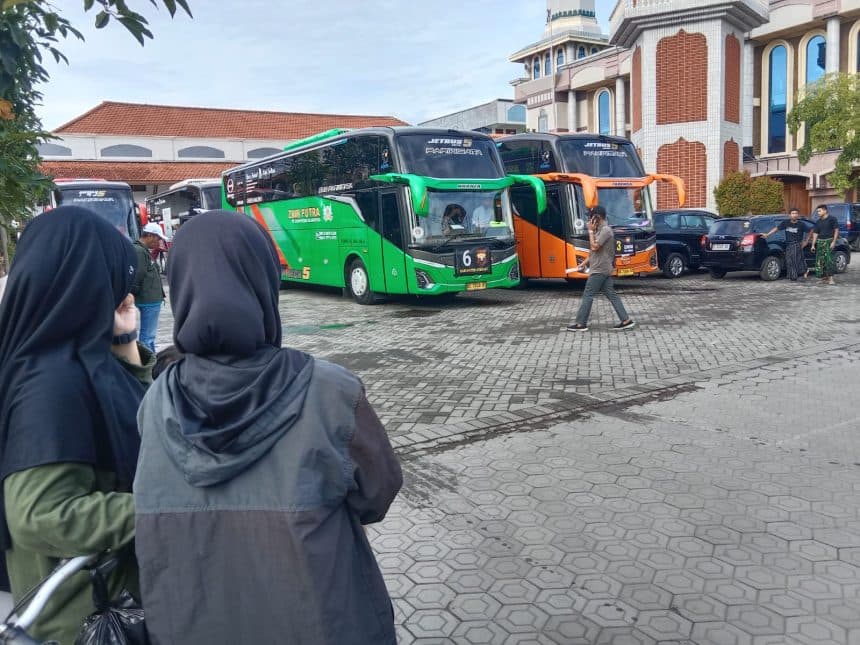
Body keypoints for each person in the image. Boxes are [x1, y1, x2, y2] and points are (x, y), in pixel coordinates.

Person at [134, 211, 403, 645]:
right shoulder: (331, 392)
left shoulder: (154, 403)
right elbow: (376, 495)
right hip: (324, 621)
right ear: (262, 281)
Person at [0, 207, 154, 644]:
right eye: (115, 280)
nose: (126, 294)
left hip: (94, 604)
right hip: (80, 620)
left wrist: (125, 348)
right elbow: (38, 515)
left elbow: (126, 421)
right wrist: (162, 508)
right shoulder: (50, 385)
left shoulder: (69, 359)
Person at [567, 205, 636, 332]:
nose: (590, 220)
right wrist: (584, 263)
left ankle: (580, 324)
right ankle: (626, 320)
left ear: (597, 217)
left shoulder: (605, 230)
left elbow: (594, 247)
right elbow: (593, 252)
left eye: (591, 217)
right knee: (612, 294)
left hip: (599, 269)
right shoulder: (600, 230)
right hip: (602, 268)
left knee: (588, 294)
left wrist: (590, 231)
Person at [132, 222, 168, 352]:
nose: (159, 242)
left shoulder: (143, 251)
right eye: (158, 238)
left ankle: (151, 360)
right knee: (148, 336)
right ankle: (148, 364)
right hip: (148, 300)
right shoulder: (140, 251)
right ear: (151, 236)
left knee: (149, 336)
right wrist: (132, 294)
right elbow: (138, 275)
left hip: (150, 299)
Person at [761, 207, 812, 281]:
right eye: (793, 213)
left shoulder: (801, 224)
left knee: (796, 260)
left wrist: (806, 241)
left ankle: (798, 275)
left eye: (796, 213)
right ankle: (796, 274)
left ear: (798, 215)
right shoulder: (786, 223)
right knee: (789, 260)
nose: (794, 215)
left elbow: (810, 231)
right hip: (788, 244)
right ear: (789, 215)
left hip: (797, 244)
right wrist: (767, 234)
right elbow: (776, 229)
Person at [810, 204, 840, 285]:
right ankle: (824, 278)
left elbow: (836, 230)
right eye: (817, 211)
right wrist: (813, 245)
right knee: (820, 261)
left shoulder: (832, 219)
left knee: (829, 260)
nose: (818, 213)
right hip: (820, 242)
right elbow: (815, 233)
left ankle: (831, 279)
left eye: (819, 211)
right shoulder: (818, 222)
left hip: (829, 241)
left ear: (825, 210)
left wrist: (834, 242)